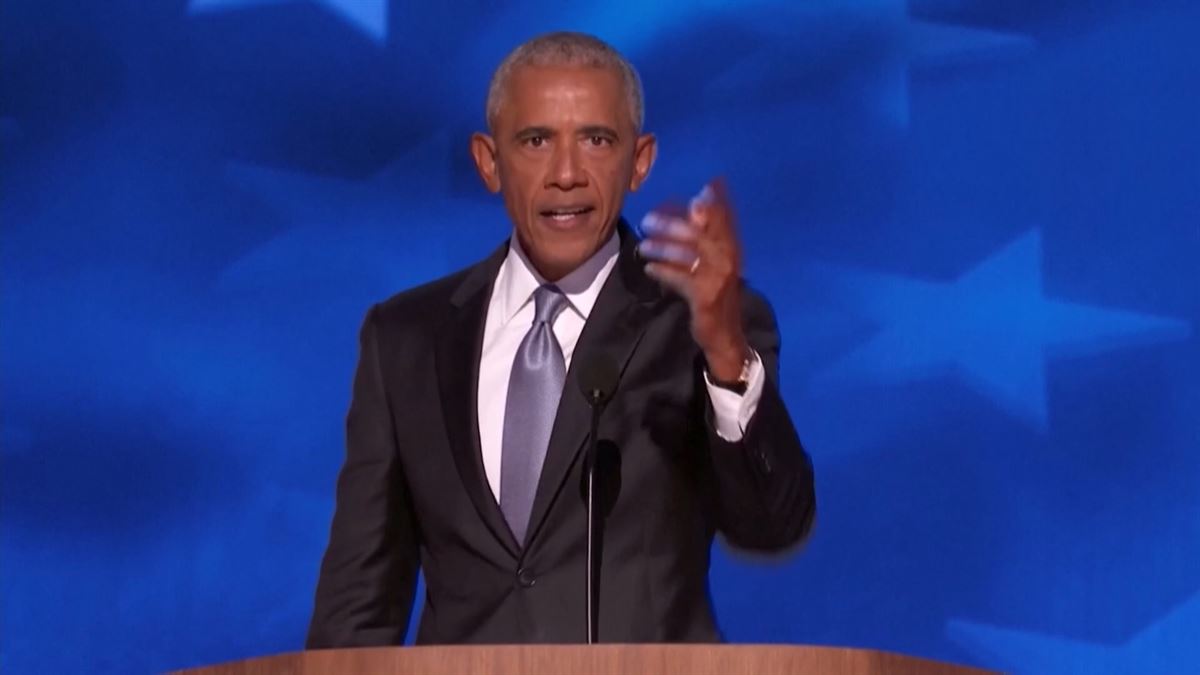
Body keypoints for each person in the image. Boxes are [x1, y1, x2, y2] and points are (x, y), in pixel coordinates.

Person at [306, 31, 815, 647]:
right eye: (536, 141)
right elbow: (359, 599)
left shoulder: (701, 326)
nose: (567, 175)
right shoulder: (405, 337)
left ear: (640, 159)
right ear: (489, 162)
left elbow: (773, 525)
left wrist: (727, 355)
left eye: (597, 140)